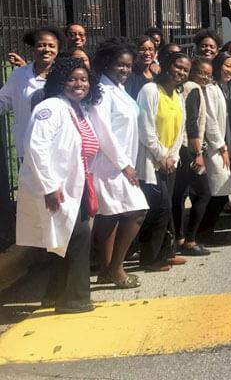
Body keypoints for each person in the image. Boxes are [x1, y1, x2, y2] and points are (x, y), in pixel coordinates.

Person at [16, 57, 135, 313]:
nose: (79, 84)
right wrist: (49, 186)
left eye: (83, 79)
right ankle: (75, 299)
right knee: (77, 239)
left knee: (67, 241)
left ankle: (54, 294)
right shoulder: (50, 108)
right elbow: (36, 147)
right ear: (60, 81)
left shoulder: (78, 109)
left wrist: (124, 165)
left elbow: (100, 139)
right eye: (72, 79)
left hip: (76, 186)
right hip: (57, 188)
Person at [91, 39, 149, 289]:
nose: (124, 70)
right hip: (109, 165)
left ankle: (106, 269)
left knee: (110, 215)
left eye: (128, 66)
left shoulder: (119, 89)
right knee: (137, 211)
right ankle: (116, 267)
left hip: (121, 163)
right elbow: (103, 132)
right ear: (106, 64)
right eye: (119, 65)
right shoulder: (102, 93)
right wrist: (125, 164)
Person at [135, 51, 190, 272]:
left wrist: (173, 156)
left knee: (165, 210)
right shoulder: (150, 90)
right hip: (151, 161)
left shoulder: (177, 94)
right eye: (178, 67)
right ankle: (149, 258)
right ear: (167, 65)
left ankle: (167, 253)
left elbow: (179, 130)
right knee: (160, 207)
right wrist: (161, 155)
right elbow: (145, 128)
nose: (181, 72)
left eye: (185, 70)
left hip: (169, 162)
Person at [174, 57, 216, 256]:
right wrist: (198, 153)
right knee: (203, 192)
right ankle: (189, 239)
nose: (205, 77)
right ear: (192, 73)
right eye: (201, 73)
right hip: (189, 149)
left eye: (208, 74)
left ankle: (178, 237)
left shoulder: (183, 88)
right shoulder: (194, 88)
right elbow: (191, 123)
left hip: (181, 149)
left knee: (180, 194)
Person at [0, 27, 61, 158]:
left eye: (51, 46)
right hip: (28, 146)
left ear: (57, 50)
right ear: (33, 48)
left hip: (59, 146)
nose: (46, 49)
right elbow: (3, 100)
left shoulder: (64, 75)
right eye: (41, 45)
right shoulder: (19, 75)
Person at [197, 51, 231, 235]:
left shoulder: (223, 87)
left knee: (221, 190)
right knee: (218, 190)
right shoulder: (210, 89)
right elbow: (210, 120)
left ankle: (207, 229)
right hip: (214, 147)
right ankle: (203, 230)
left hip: (222, 144)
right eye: (227, 66)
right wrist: (221, 146)